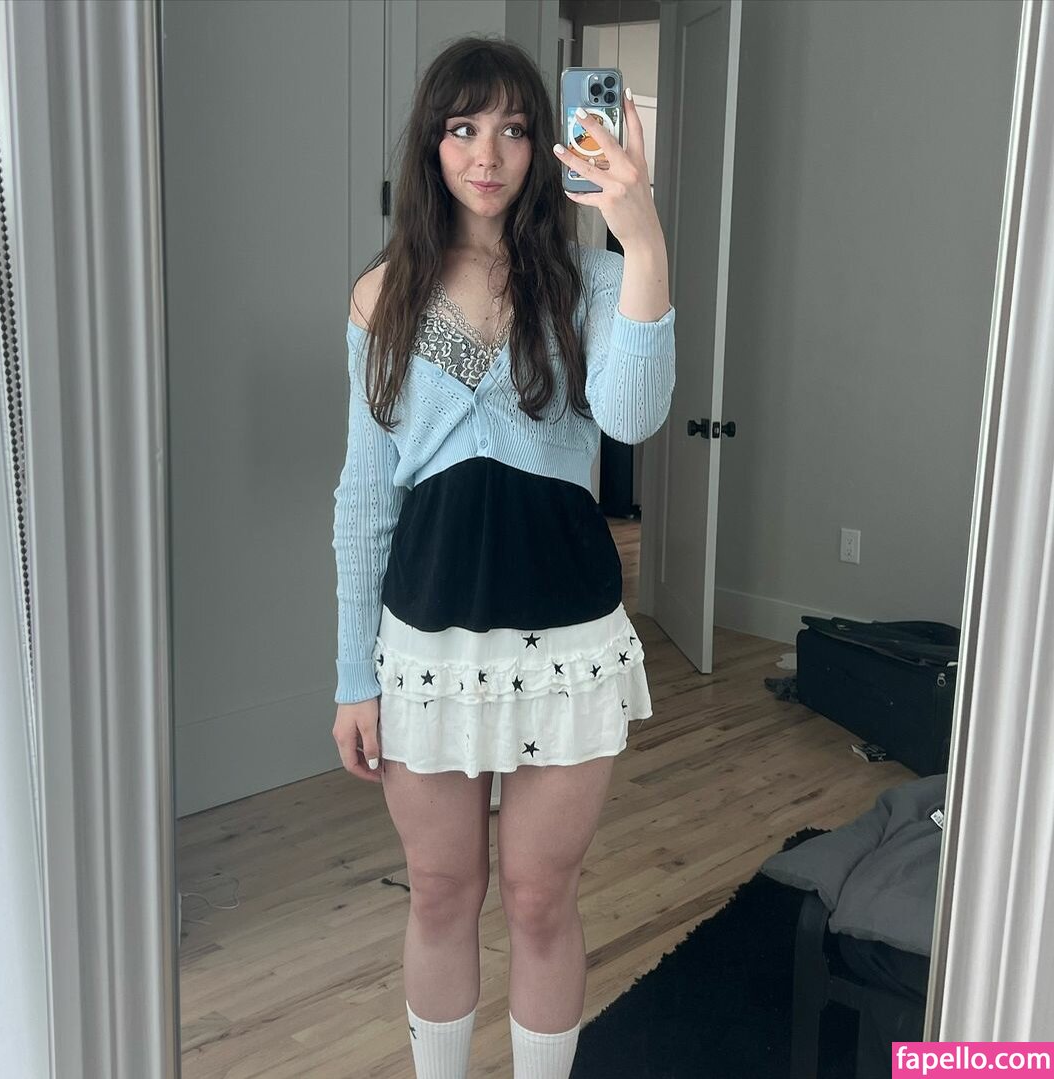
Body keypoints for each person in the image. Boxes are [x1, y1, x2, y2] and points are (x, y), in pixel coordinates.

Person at [330, 35, 676, 1079]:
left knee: (539, 898)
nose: (488, 154)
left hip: (567, 639)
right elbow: (365, 498)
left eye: (516, 129)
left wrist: (641, 233)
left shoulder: (591, 281)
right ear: (432, 144)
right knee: (442, 893)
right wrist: (352, 675)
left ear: (545, 144)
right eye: (464, 127)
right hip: (424, 641)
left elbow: (633, 414)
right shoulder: (382, 296)